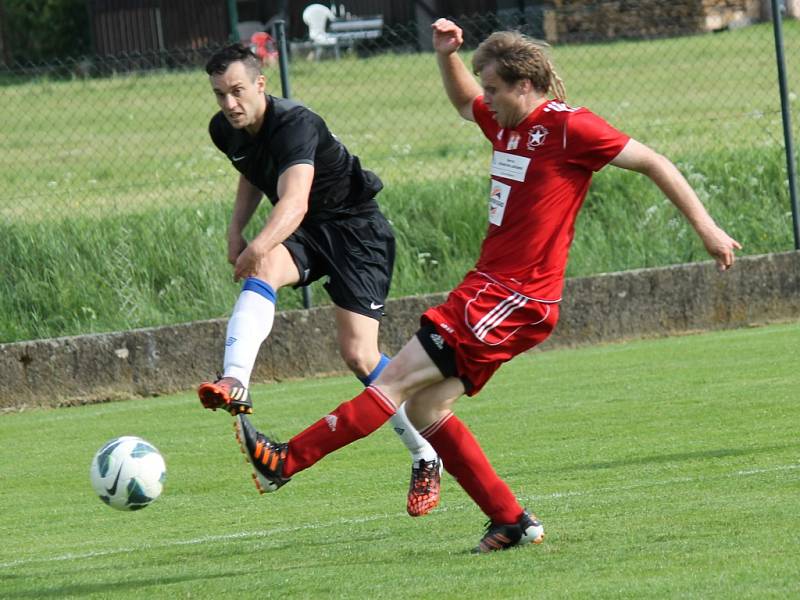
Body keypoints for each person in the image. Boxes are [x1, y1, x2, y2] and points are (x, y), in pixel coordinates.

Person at [230, 20, 743, 553]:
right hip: (489, 290)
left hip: (515, 297)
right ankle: (511, 521)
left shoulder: (570, 127)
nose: (486, 100)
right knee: (426, 409)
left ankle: (286, 460)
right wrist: (445, 56)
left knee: (396, 380)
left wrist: (708, 230)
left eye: (494, 88)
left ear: (524, 85)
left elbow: (654, 162)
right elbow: (463, 102)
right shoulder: (505, 123)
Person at [197, 43, 441, 518]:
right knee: (266, 268)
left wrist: (255, 246)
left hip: (356, 232)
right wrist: (235, 231)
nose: (229, 104)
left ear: (261, 83)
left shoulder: (296, 124)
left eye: (237, 91)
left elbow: (294, 204)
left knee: (359, 355)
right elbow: (250, 172)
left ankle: (426, 453)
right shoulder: (224, 129)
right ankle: (236, 381)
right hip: (309, 234)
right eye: (219, 94)